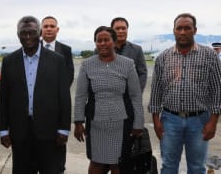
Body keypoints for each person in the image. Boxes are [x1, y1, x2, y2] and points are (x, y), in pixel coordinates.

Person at [0, 15, 71, 174]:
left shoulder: (57, 60)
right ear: (18, 35)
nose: (28, 37)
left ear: (40, 34)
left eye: (32, 32)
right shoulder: (9, 61)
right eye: (23, 33)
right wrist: (3, 130)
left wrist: (64, 129)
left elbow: (64, 97)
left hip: (49, 132)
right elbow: (4, 98)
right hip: (19, 133)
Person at [148, 13, 221, 174]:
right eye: (179, 28)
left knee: (197, 167)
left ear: (194, 30)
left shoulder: (210, 56)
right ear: (174, 31)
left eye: (187, 28)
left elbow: (217, 90)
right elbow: (156, 91)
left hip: (200, 121)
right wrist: (156, 119)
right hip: (169, 120)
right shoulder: (163, 57)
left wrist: (213, 121)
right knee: (168, 166)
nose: (182, 32)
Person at [74, 26, 144, 174]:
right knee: (96, 161)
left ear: (114, 41)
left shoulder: (127, 63)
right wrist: (78, 122)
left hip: (122, 123)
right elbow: (80, 96)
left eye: (106, 40)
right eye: (99, 41)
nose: (103, 43)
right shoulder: (87, 64)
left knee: (118, 164)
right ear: (95, 43)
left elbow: (136, 96)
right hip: (96, 123)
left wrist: (138, 123)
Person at [110, 17, 147, 92]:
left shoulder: (137, 50)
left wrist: (136, 94)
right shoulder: (101, 49)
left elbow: (142, 74)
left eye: (124, 28)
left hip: (129, 98)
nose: (121, 31)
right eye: (117, 28)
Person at [41, 16, 74, 86]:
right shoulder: (33, 48)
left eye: (52, 26)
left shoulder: (66, 50)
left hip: (58, 94)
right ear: (41, 29)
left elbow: (69, 75)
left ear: (57, 29)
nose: (49, 29)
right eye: (45, 26)